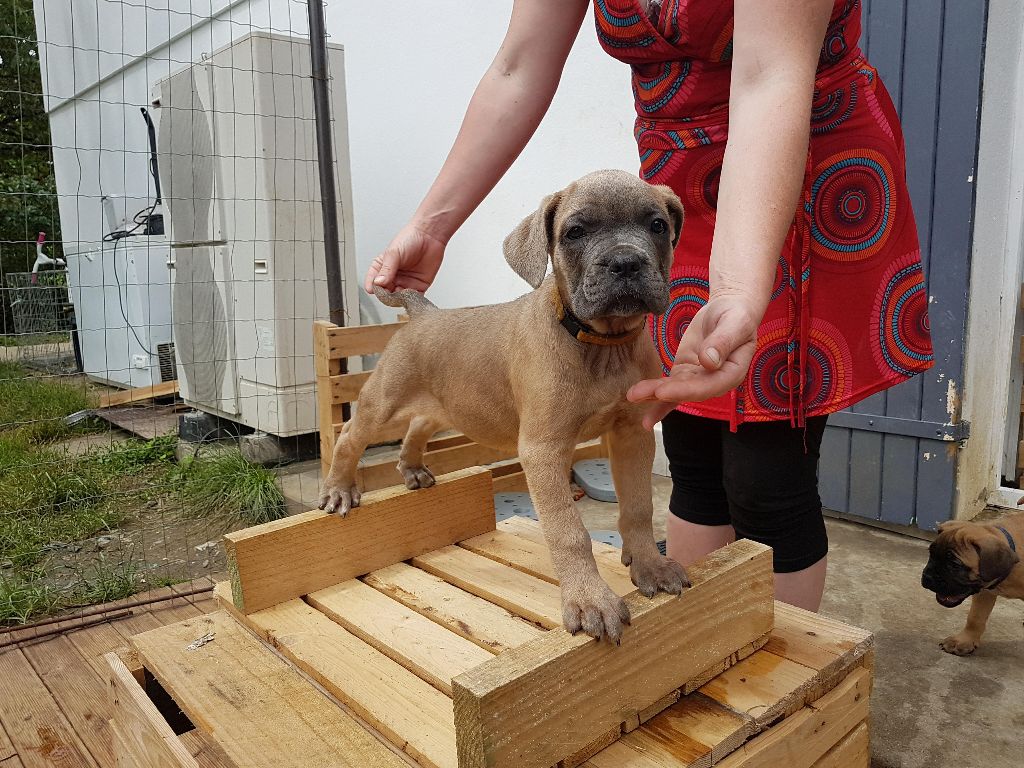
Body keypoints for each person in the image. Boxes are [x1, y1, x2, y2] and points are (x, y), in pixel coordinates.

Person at [364, 0, 934, 611]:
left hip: (789, 169)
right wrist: (434, 224)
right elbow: (518, 67)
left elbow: (770, 74)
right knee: (686, 448)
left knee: (765, 475)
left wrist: (740, 288)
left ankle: (776, 683)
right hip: (673, 191)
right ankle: (687, 641)